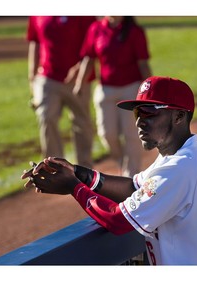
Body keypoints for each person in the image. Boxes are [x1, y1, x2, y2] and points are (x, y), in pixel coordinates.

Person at [21, 76, 197, 265]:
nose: (139, 122)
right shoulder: (194, 148)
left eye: (149, 113)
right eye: (137, 113)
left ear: (179, 116)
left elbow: (118, 220)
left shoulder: (179, 168)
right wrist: (78, 173)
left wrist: (73, 186)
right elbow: (133, 187)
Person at [73, 16, 152, 177]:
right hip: (105, 90)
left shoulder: (134, 31)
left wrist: (149, 91)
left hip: (130, 89)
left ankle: (131, 175)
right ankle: (123, 162)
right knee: (107, 134)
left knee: (131, 134)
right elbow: (89, 58)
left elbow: (143, 63)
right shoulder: (96, 29)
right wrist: (80, 83)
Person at [27, 16, 96, 168]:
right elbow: (35, 42)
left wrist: (79, 68)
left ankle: (84, 168)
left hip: (78, 79)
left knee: (81, 123)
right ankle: (54, 166)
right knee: (46, 116)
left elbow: (92, 43)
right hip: (47, 76)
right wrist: (32, 76)